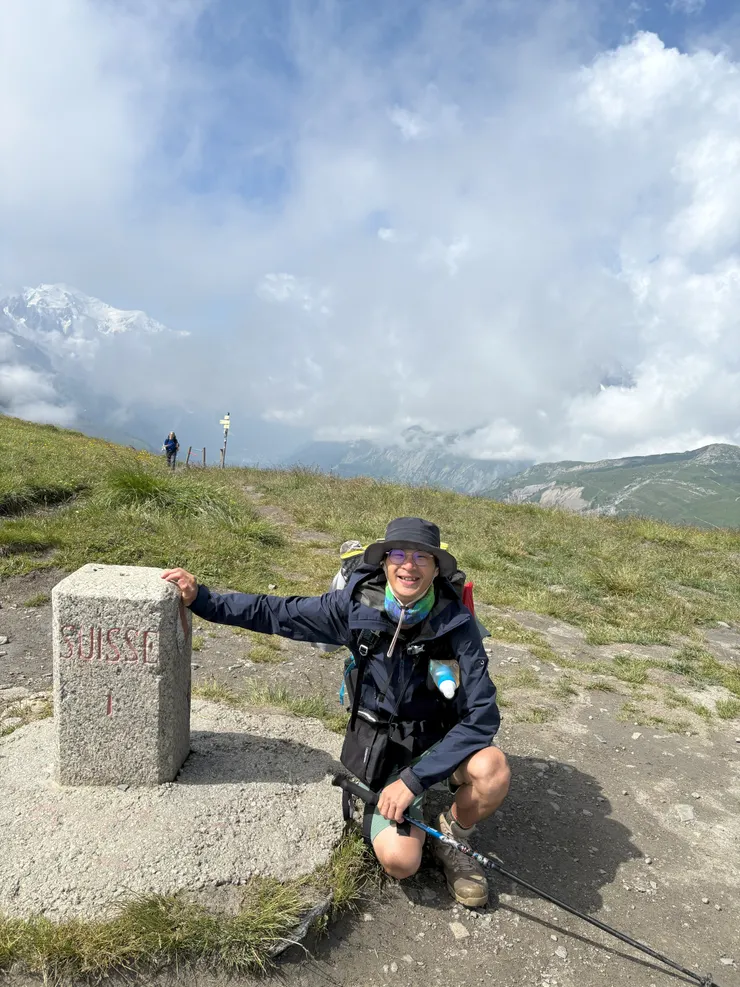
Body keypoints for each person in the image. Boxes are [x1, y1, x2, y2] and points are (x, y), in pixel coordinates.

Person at [162, 517, 509, 907]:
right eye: (399, 554)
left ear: (435, 568)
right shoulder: (355, 606)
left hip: (437, 743)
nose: (408, 565)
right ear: (384, 562)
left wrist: (414, 779)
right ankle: (403, 811)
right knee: (400, 863)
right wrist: (203, 599)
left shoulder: (457, 623)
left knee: (492, 770)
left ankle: (452, 837)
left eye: (421, 557)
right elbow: (277, 612)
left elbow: (482, 717)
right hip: (382, 749)